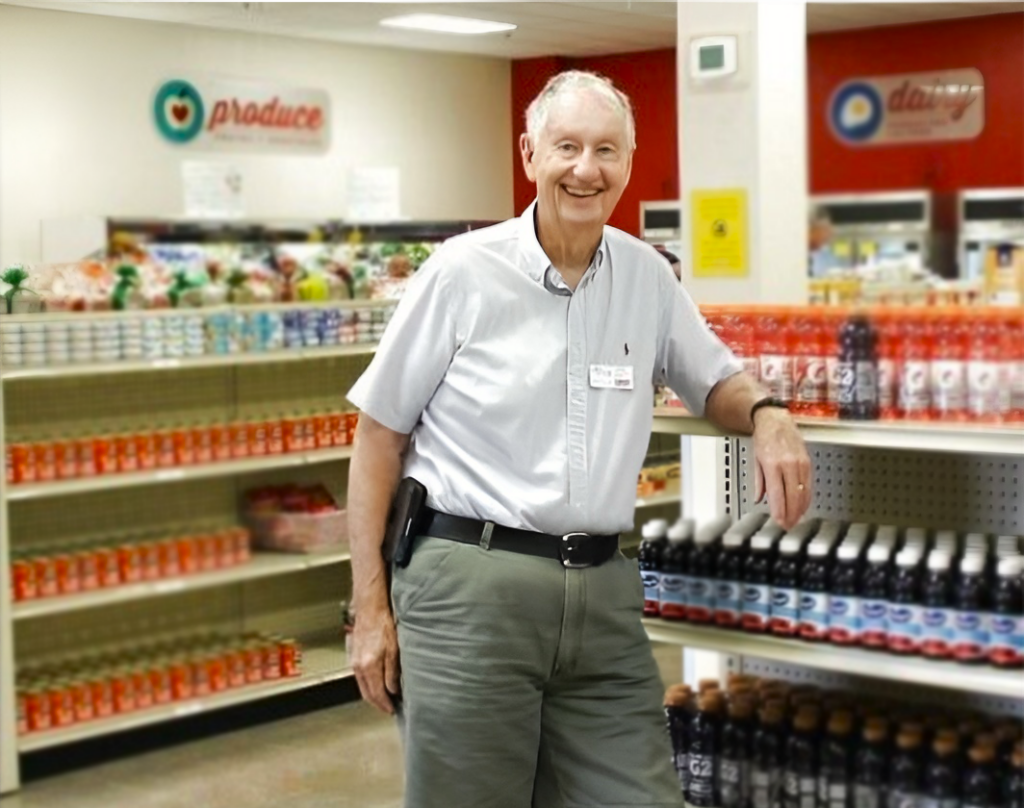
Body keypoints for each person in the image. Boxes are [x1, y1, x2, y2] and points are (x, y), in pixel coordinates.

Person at [346, 70, 812, 808]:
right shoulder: (462, 273)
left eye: (606, 150)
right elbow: (378, 436)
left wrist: (768, 413)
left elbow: (712, 377)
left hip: (601, 595)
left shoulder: (647, 277)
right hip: (471, 587)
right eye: (567, 147)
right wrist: (369, 608)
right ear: (530, 154)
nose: (586, 169)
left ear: (628, 162)